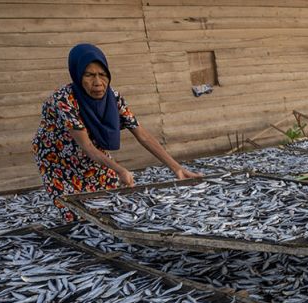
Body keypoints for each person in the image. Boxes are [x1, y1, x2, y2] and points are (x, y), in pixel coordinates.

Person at [33, 43, 202, 222]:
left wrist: (177, 168)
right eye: (89, 75)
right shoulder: (63, 100)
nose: (98, 82)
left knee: (111, 204)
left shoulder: (113, 98)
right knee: (76, 212)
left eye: (102, 75)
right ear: (77, 75)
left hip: (93, 156)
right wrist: (120, 169)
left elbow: (142, 135)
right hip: (58, 160)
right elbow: (87, 147)